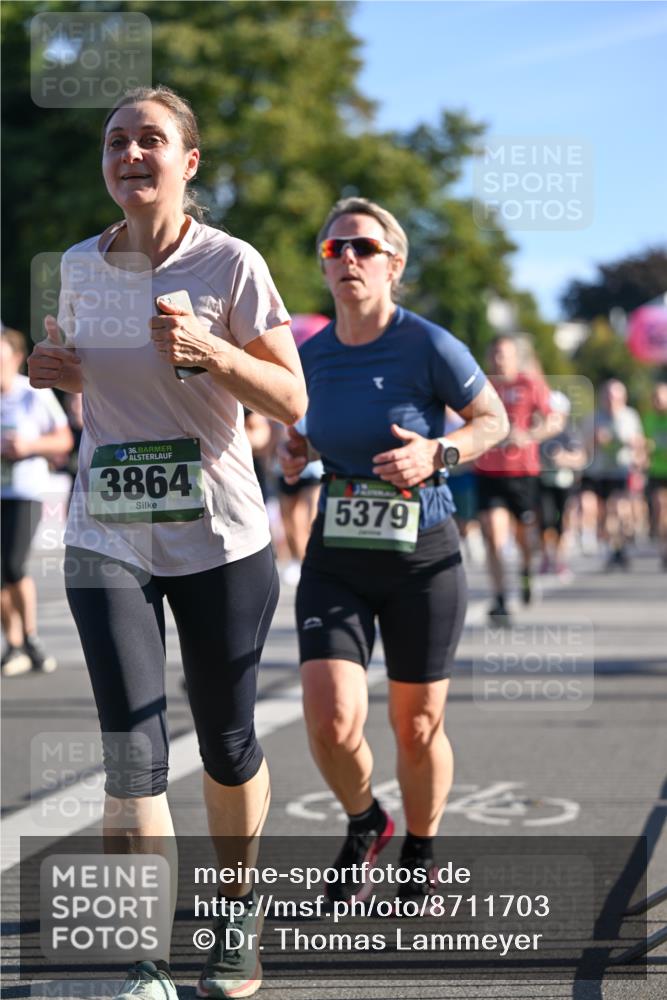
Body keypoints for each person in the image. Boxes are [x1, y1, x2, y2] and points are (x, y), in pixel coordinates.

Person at [28, 86, 306, 1000]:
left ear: (188, 162)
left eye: (152, 139)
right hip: (107, 529)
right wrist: (55, 372)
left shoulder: (232, 263)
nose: (130, 153)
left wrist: (213, 354)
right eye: (117, 141)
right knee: (133, 755)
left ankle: (234, 910)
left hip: (221, 535)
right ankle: (146, 959)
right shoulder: (78, 265)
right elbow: (94, 393)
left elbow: (290, 399)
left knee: (226, 742)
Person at [279, 197, 508, 903]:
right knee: (329, 717)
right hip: (337, 551)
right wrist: (300, 451)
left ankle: (421, 844)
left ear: (393, 263)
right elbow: (310, 434)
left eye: (364, 247)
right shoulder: (306, 355)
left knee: (414, 725)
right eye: (333, 249)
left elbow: (491, 421)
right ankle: (365, 819)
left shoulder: (428, 344)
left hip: (421, 556)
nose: (347, 258)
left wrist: (438, 453)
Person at [1, 327, 73, 676]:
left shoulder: (32, 393)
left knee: (13, 565)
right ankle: (13, 646)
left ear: (15, 359)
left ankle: (31, 638)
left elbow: (63, 440)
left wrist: (27, 448)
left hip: (24, 492)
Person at [474, 335, 558, 623]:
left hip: (523, 473)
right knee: (495, 535)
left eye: (505, 355)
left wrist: (528, 436)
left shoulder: (530, 384)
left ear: (514, 357)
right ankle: (499, 597)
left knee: (525, 538)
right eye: (495, 354)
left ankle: (525, 571)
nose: (499, 360)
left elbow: (553, 420)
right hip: (488, 472)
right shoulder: (482, 386)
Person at [581, 379, 645, 569]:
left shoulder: (630, 417)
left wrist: (637, 454)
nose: (611, 400)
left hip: (620, 471)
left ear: (623, 398)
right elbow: (582, 446)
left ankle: (618, 547)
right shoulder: (593, 417)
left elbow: (640, 443)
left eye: (615, 396)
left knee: (616, 510)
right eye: (607, 396)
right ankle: (598, 540)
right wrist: (595, 439)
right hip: (596, 471)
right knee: (592, 508)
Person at [538, 390, 587, 580]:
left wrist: (563, 458)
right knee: (545, 522)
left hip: (564, 485)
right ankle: (545, 557)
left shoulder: (570, 434)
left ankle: (559, 561)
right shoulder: (539, 433)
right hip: (543, 484)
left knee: (562, 523)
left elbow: (581, 457)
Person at [642, 381, 667, 569]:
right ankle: (663, 548)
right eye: (656, 399)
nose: (659, 402)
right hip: (657, 471)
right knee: (660, 508)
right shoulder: (648, 419)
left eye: (662, 398)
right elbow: (643, 443)